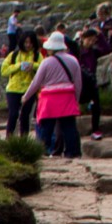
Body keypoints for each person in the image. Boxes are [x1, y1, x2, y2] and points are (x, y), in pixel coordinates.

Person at [24, 30, 85, 158]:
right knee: (69, 127)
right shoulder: (73, 60)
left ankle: (41, 151)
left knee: (45, 127)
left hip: (49, 99)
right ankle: (72, 152)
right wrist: (76, 99)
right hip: (67, 97)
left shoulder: (46, 62)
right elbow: (78, 83)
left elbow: (36, 83)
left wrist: (26, 96)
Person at [1, 30, 42, 138]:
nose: (28, 45)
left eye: (30, 42)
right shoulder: (13, 55)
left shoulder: (37, 56)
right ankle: (9, 139)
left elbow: (43, 68)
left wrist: (33, 66)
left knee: (25, 117)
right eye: (26, 42)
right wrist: (18, 66)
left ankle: (23, 140)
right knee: (13, 114)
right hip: (13, 89)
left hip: (30, 89)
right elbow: (4, 71)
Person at [75, 26, 107, 138]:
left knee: (96, 105)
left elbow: (106, 50)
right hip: (78, 82)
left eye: (94, 40)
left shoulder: (94, 52)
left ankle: (95, 129)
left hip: (91, 81)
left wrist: (101, 36)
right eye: (89, 39)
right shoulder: (77, 51)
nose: (91, 42)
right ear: (83, 38)